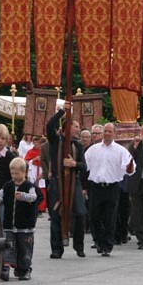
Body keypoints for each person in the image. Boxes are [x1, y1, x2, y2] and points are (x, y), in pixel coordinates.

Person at [84, 123, 135, 256]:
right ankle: (98, 240)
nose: (107, 133)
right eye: (105, 131)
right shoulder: (93, 149)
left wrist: (129, 167)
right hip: (96, 186)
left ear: (114, 133)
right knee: (94, 217)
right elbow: (84, 166)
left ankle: (107, 245)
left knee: (110, 218)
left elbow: (130, 168)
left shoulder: (121, 150)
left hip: (112, 187)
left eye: (109, 131)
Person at [46, 106, 87, 259]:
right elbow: (50, 125)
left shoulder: (78, 145)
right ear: (66, 128)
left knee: (80, 214)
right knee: (56, 215)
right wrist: (62, 111)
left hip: (74, 183)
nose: (78, 130)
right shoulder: (55, 140)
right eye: (75, 126)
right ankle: (57, 249)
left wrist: (74, 164)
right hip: (57, 183)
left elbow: (84, 166)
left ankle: (79, 246)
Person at [0, 157, 37, 281]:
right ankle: (6, 268)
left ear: (24, 173)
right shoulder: (7, 186)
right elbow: (0, 196)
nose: (14, 176)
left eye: (17, 173)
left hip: (25, 226)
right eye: (12, 173)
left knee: (24, 248)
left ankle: (25, 269)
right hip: (9, 225)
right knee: (8, 246)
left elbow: (34, 197)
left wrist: (24, 196)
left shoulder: (29, 185)